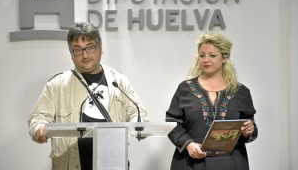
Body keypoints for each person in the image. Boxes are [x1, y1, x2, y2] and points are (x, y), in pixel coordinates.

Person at [28, 22, 149, 170]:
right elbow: (37, 119)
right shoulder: (57, 84)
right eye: (78, 50)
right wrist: (39, 130)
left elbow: (138, 112)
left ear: (101, 48)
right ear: (71, 54)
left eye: (90, 47)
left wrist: (139, 127)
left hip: (113, 163)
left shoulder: (118, 80)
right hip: (71, 164)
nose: (85, 55)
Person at [165, 33, 258, 170]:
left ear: (224, 58)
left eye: (212, 55)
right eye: (202, 55)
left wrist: (248, 130)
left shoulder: (241, 92)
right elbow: (172, 124)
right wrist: (189, 144)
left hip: (231, 163)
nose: (206, 60)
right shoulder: (185, 88)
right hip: (191, 163)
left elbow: (250, 127)